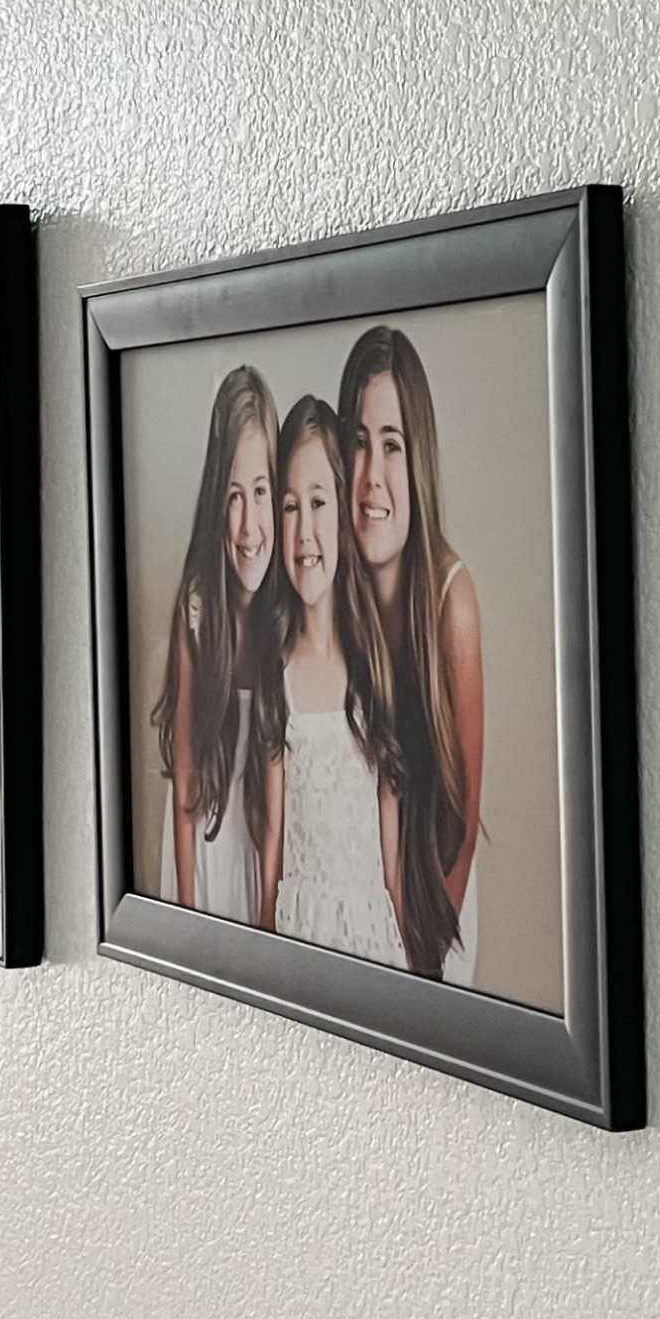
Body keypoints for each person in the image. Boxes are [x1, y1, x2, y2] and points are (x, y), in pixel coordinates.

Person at [336, 324, 485, 983]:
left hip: (436, 916)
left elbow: (465, 811)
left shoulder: (452, 599)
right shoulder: (327, 588)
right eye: (359, 444)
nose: (372, 477)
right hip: (357, 911)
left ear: (416, 457)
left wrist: (420, 973)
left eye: (390, 446)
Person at [262, 394, 401, 965]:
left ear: (343, 514)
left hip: (371, 941)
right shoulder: (278, 677)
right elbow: (272, 846)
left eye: (318, 502)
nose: (303, 532)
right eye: (290, 507)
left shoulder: (374, 669)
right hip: (301, 940)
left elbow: (391, 866)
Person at [150, 365, 281, 922]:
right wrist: (186, 907)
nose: (249, 524)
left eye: (261, 492)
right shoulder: (198, 610)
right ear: (215, 503)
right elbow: (185, 783)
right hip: (202, 852)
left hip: (265, 857)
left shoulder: (292, 612)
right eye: (234, 496)